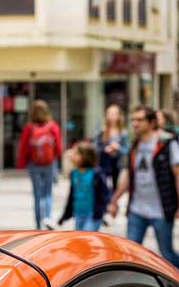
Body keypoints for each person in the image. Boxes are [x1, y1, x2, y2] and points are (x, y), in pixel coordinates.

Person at [107, 106, 179, 285]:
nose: (135, 123)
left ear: (151, 122)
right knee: (130, 253)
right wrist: (114, 200)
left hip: (161, 209)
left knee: (167, 253)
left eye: (139, 120)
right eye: (133, 120)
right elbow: (129, 175)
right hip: (137, 209)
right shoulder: (135, 145)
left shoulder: (166, 143)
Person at [16, 99, 62, 229]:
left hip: (34, 164)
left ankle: (37, 225)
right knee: (47, 192)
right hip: (49, 163)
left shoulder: (29, 128)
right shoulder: (53, 126)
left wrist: (21, 164)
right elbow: (58, 147)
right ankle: (47, 217)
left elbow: (23, 148)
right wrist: (55, 158)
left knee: (37, 194)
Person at [58, 143, 111, 231]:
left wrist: (108, 207)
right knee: (80, 237)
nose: (72, 155)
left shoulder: (96, 174)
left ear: (85, 156)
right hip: (78, 214)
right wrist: (65, 215)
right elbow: (71, 196)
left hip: (92, 215)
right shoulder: (74, 173)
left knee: (87, 236)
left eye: (76, 153)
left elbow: (105, 192)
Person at [92, 104, 130, 189]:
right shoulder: (101, 131)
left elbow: (127, 150)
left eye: (114, 114)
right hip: (103, 162)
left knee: (115, 187)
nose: (112, 116)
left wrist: (118, 148)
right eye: (110, 113)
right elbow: (94, 147)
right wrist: (104, 149)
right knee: (102, 186)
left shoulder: (123, 133)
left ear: (119, 116)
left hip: (116, 163)